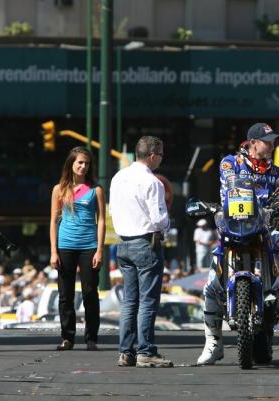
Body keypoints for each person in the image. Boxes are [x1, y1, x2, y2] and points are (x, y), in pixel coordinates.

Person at [196, 123, 279, 366]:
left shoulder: (276, 172)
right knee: (210, 287)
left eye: (273, 141)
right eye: (267, 141)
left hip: (262, 230)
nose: (272, 145)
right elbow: (233, 184)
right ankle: (213, 342)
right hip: (232, 229)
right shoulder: (230, 163)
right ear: (253, 142)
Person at [110, 136, 173, 368]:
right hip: (146, 243)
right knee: (147, 301)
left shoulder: (118, 178)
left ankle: (126, 352)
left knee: (129, 301)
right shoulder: (153, 182)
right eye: (161, 155)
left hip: (123, 243)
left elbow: (113, 210)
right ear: (153, 155)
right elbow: (158, 218)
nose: (161, 160)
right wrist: (167, 225)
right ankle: (145, 351)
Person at [49, 146, 105, 351]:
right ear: (71, 164)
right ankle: (67, 337)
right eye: (80, 162)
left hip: (89, 246)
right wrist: (53, 251)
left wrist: (100, 249)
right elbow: (53, 222)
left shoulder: (96, 189)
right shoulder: (59, 189)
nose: (83, 166)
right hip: (65, 246)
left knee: (90, 292)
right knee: (65, 295)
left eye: (87, 163)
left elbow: (101, 221)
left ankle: (91, 338)